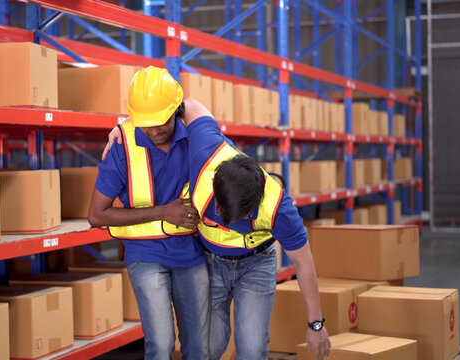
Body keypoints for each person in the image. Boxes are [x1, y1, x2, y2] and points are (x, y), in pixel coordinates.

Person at [104, 96, 331, 360]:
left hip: (256, 265)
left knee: (251, 349)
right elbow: (186, 103)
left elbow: (303, 263)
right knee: (206, 349)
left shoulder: (280, 210)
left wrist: (316, 324)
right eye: (221, 212)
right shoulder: (205, 152)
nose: (225, 222)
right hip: (211, 263)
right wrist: (128, 127)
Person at [88, 66, 209, 360]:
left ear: (175, 110)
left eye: (162, 121)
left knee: (198, 348)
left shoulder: (196, 135)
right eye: (146, 123)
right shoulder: (123, 145)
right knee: (161, 343)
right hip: (145, 255)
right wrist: (162, 213)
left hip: (191, 253)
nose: (155, 130)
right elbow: (96, 215)